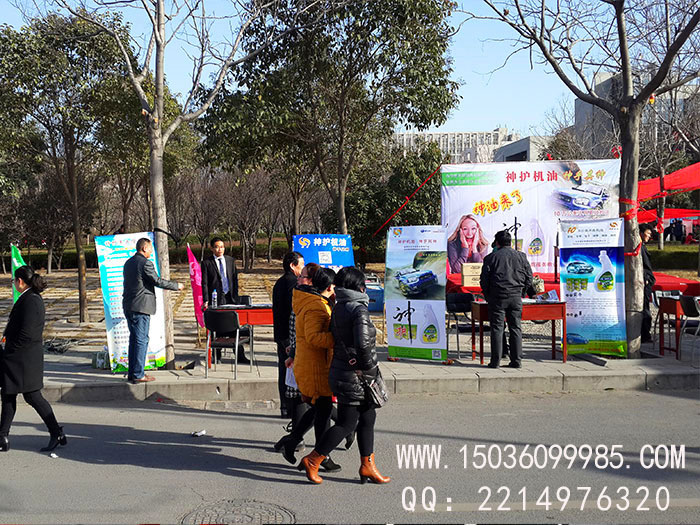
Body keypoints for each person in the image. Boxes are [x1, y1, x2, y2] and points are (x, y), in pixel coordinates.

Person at [299, 267, 390, 485]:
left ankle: (368, 465)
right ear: (359, 287)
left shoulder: (339, 306)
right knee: (347, 424)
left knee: (367, 417)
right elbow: (363, 345)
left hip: (344, 371)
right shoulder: (358, 309)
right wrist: (369, 370)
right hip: (356, 376)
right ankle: (313, 459)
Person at [1, 266, 67, 452]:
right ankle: (2, 436)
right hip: (19, 357)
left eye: (14, 281)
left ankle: (56, 432)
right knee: (8, 393)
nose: (14, 284)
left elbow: (27, 334)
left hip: (23, 358)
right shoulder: (28, 297)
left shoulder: (32, 300)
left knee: (32, 396)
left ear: (20, 281)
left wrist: (10, 350)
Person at [279, 267, 338, 471]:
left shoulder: (313, 302)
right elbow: (313, 337)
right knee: (323, 410)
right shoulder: (316, 306)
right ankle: (321, 456)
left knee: (319, 410)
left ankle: (293, 442)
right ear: (329, 286)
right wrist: (337, 339)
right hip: (315, 366)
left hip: (313, 363)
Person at [122, 238, 183, 383]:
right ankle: (138, 374)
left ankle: (133, 373)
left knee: (134, 340)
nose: (151, 251)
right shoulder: (145, 263)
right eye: (150, 248)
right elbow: (157, 280)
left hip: (129, 305)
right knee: (141, 340)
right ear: (144, 248)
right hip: (140, 307)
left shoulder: (129, 262)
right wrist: (176, 286)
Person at [479, 230, 535, 369]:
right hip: (515, 297)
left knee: (497, 329)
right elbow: (529, 277)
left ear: (497, 243)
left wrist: (488, 296)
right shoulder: (521, 256)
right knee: (515, 328)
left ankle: (495, 361)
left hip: (497, 297)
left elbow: (484, 280)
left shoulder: (491, 258)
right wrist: (522, 293)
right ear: (510, 242)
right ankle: (517, 361)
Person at [272, 251, 304, 418]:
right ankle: (291, 408)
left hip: (281, 334)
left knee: (283, 371)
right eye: (301, 265)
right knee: (290, 372)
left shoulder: (280, 282)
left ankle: (285, 407)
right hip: (289, 336)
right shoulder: (293, 283)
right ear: (293, 265)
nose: (303, 269)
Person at [201, 237, 240, 308]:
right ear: (212, 248)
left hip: (230, 297)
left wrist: (236, 296)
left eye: (222, 247)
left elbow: (234, 279)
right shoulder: (206, 263)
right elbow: (204, 283)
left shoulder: (230, 261)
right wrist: (206, 300)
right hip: (215, 297)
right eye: (217, 247)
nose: (220, 249)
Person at [640, 224, 656, 343]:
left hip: (646, 280)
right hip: (644, 281)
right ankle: (645, 334)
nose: (649, 236)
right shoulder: (639, 247)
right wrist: (646, 278)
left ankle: (645, 333)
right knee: (644, 308)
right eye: (648, 233)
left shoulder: (642, 246)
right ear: (641, 233)